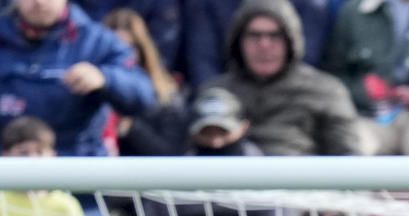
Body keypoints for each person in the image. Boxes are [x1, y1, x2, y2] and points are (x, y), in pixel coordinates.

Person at [201, 0, 364, 156]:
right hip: (229, 181)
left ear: (290, 40)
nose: (264, 45)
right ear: (238, 39)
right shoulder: (215, 93)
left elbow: (349, 159)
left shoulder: (326, 92)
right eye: (254, 35)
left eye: (275, 35)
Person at [0, 0, 155, 157]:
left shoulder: (97, 42)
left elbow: (144, 94)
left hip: (77, 167)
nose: (39, 2)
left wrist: (105, 78)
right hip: (7, 167)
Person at [320, 0, 409, 156]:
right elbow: (332, 75)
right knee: (352, 148)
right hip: (369, 116)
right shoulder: (354, 11)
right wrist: (365, 91)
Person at [182, 0, 332, 89]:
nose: (264, 44)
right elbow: (203, 61)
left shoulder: (309, 5)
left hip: (291, 93)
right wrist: (216, 100)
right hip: (229, 90)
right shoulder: (208, 4)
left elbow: (305, 57)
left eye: (275, 36)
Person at [101, 7, 185, 156]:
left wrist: (131, 127)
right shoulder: (87, 94)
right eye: (115, 48)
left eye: (129, 47)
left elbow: (171, 152)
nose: (122, 55)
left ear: (141, 50)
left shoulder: (165, 96)